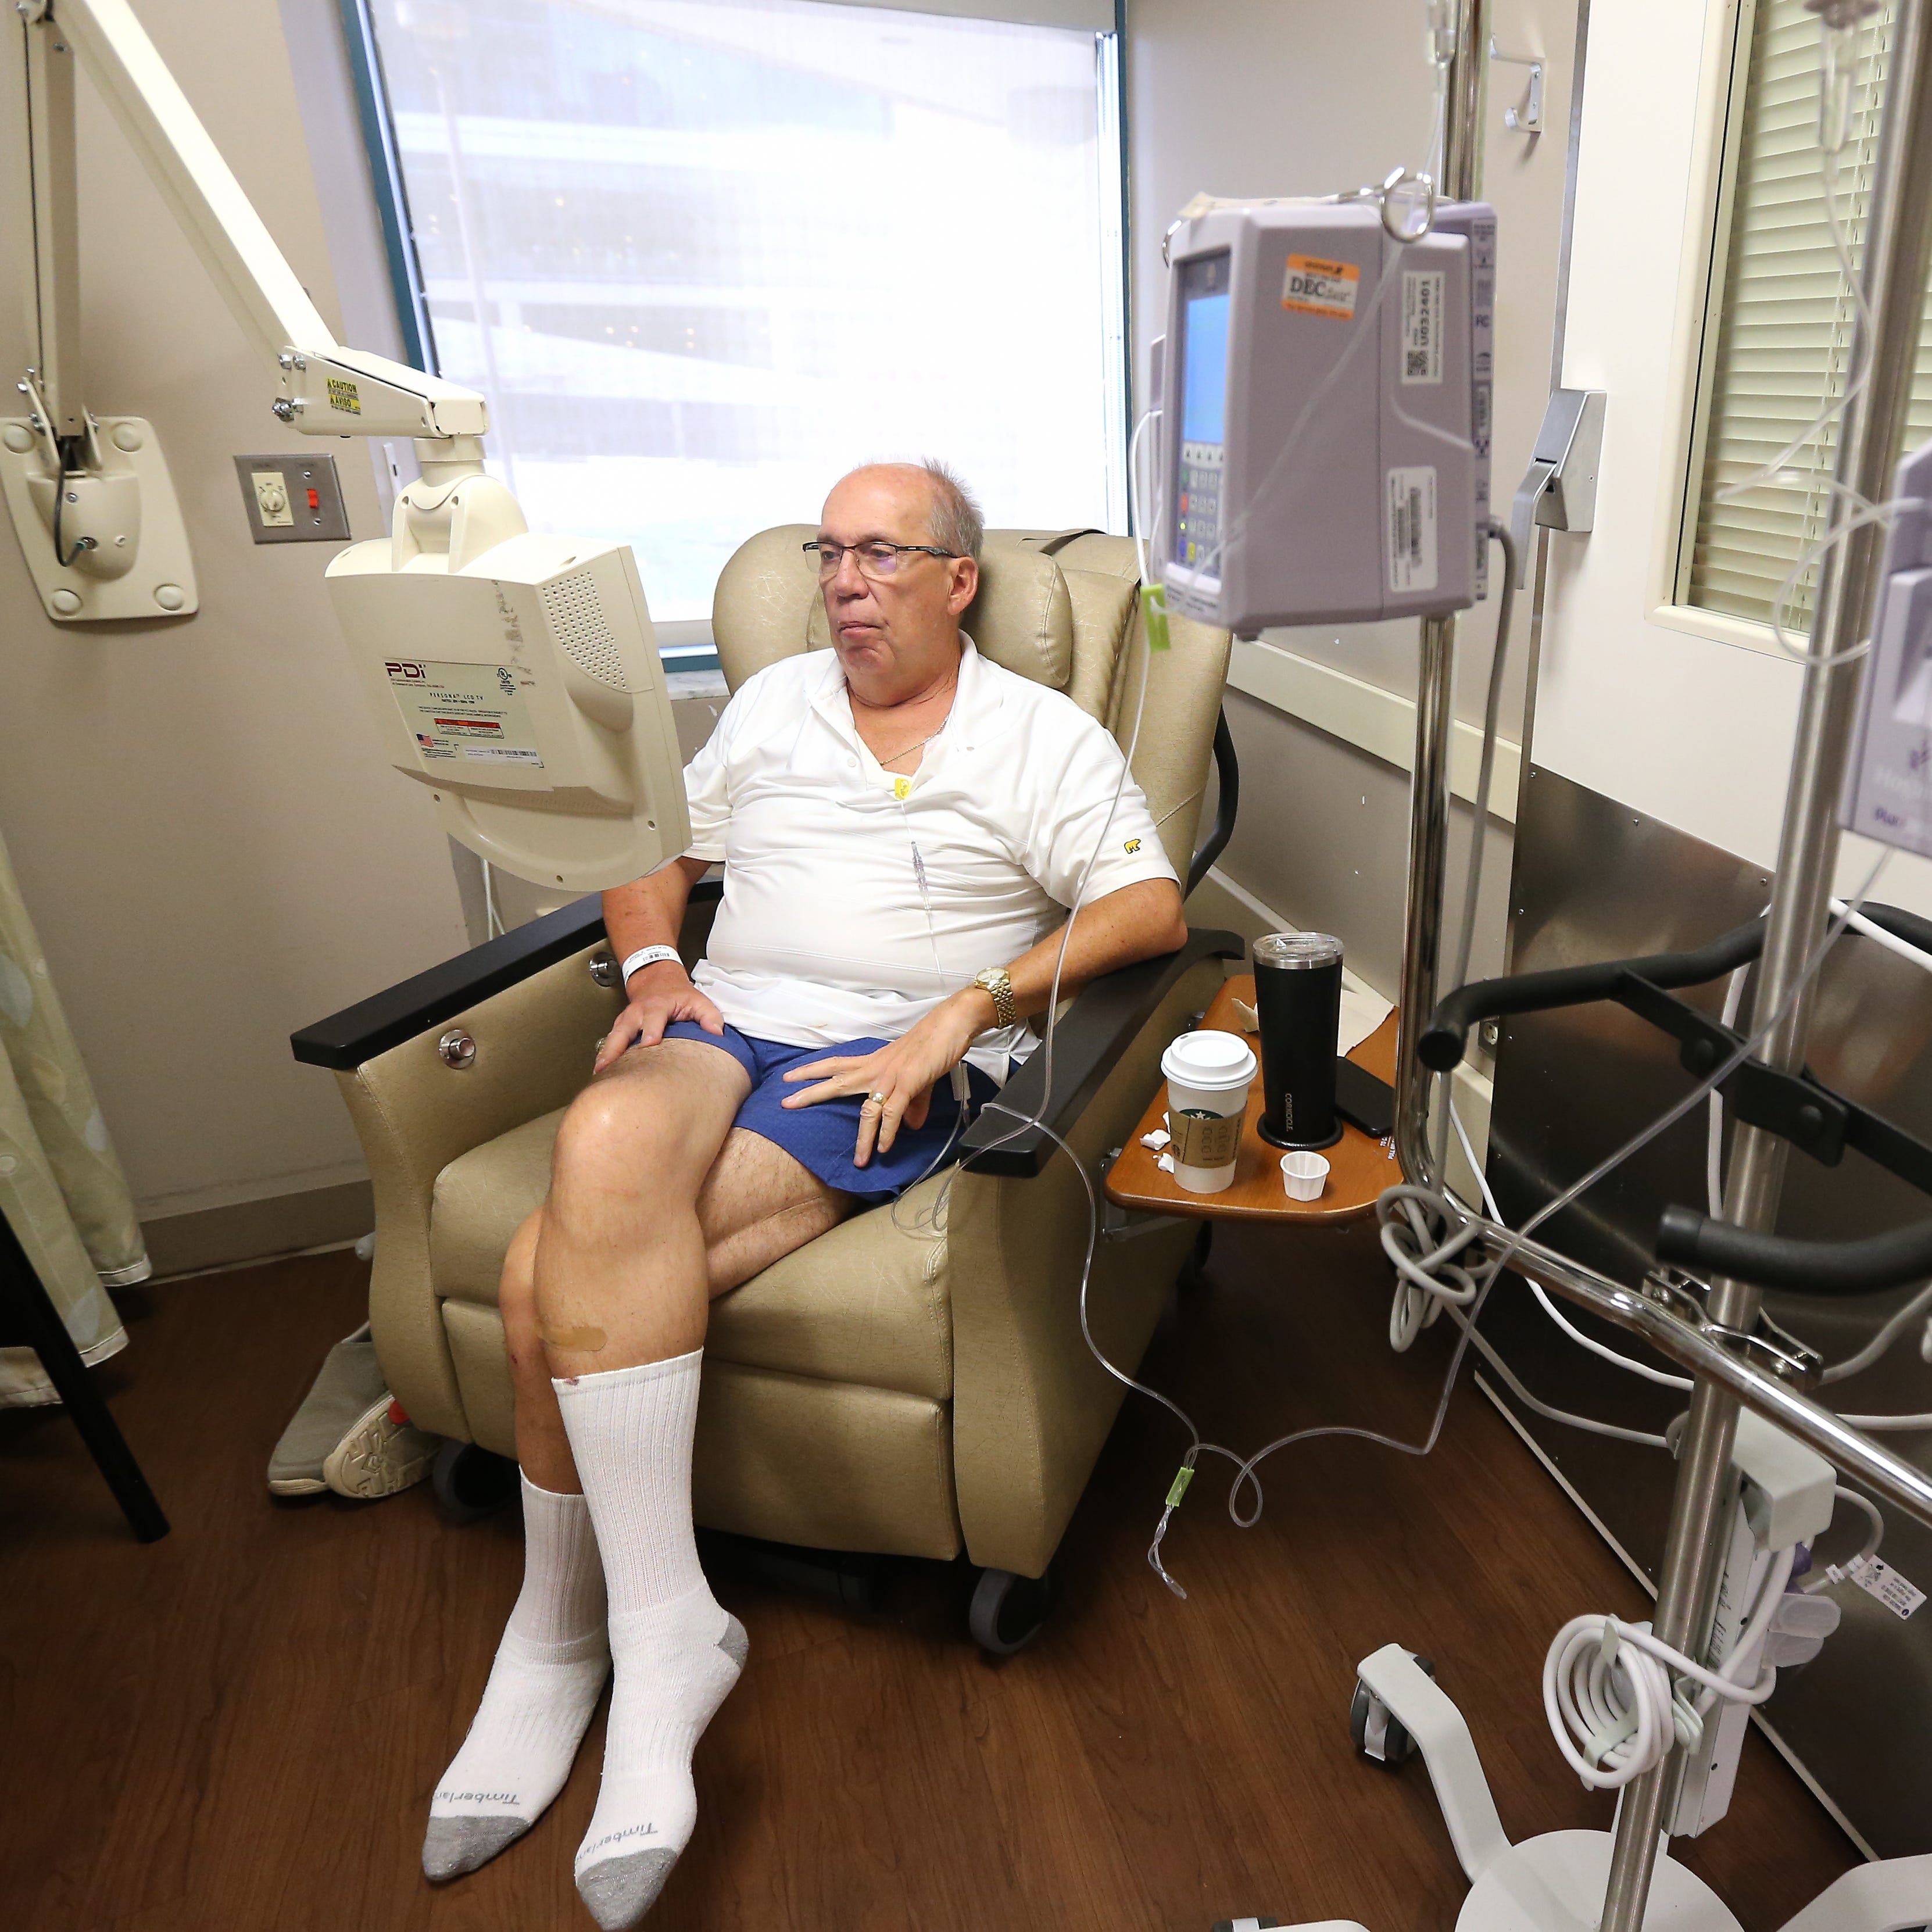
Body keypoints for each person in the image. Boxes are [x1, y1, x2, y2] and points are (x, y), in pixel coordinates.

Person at [422, 459, 1189, 1927]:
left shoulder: (1040, 734)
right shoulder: (768, 704)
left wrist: (970, 1004)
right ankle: (664, 1631)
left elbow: (1147, 905)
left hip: (872, 1060)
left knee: (537, 1284)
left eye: (880, 554)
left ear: (958, 582)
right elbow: (653, 852)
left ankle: (562, 1632)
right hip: (726, 1019)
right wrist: (656, 969)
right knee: (600, 1149)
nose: (843, 580)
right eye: (828, 553)